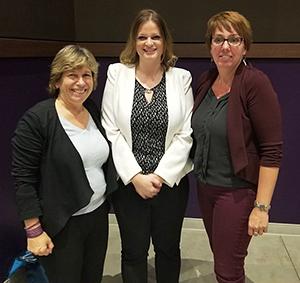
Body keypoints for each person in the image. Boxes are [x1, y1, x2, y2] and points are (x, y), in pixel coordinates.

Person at [11, 45, 118, 283]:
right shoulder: (37, 120)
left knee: (92, 277)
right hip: (62, 224)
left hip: (97, 217)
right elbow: (23, 180)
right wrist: (33, 231)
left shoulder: (90, 109)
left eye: (87, 75)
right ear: (57, 80)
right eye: (72, 75)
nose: (81, 82)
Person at [101, 9, 193, 283]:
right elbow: (111, 129)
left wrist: (160, 176)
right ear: (134, 41)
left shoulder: (181, 77)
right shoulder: (117, 74)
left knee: (167, 250)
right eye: (142, 37)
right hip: (129, 185)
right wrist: (135, 177)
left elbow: (185, 133)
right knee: (133, 252)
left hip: (170, 184)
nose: (149, 43)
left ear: (165, 41)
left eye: (155, 36)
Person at [192, 11, 282, 283]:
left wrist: (261, 207)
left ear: (245, 46)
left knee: (228, 271)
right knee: (222, 260)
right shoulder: (206, 81)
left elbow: (272, 150)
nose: (225, 46)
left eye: (233, 39)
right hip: (206, 188)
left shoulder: (254, 83)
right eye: (218, 39)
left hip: (236, 193)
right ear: (210, 46)